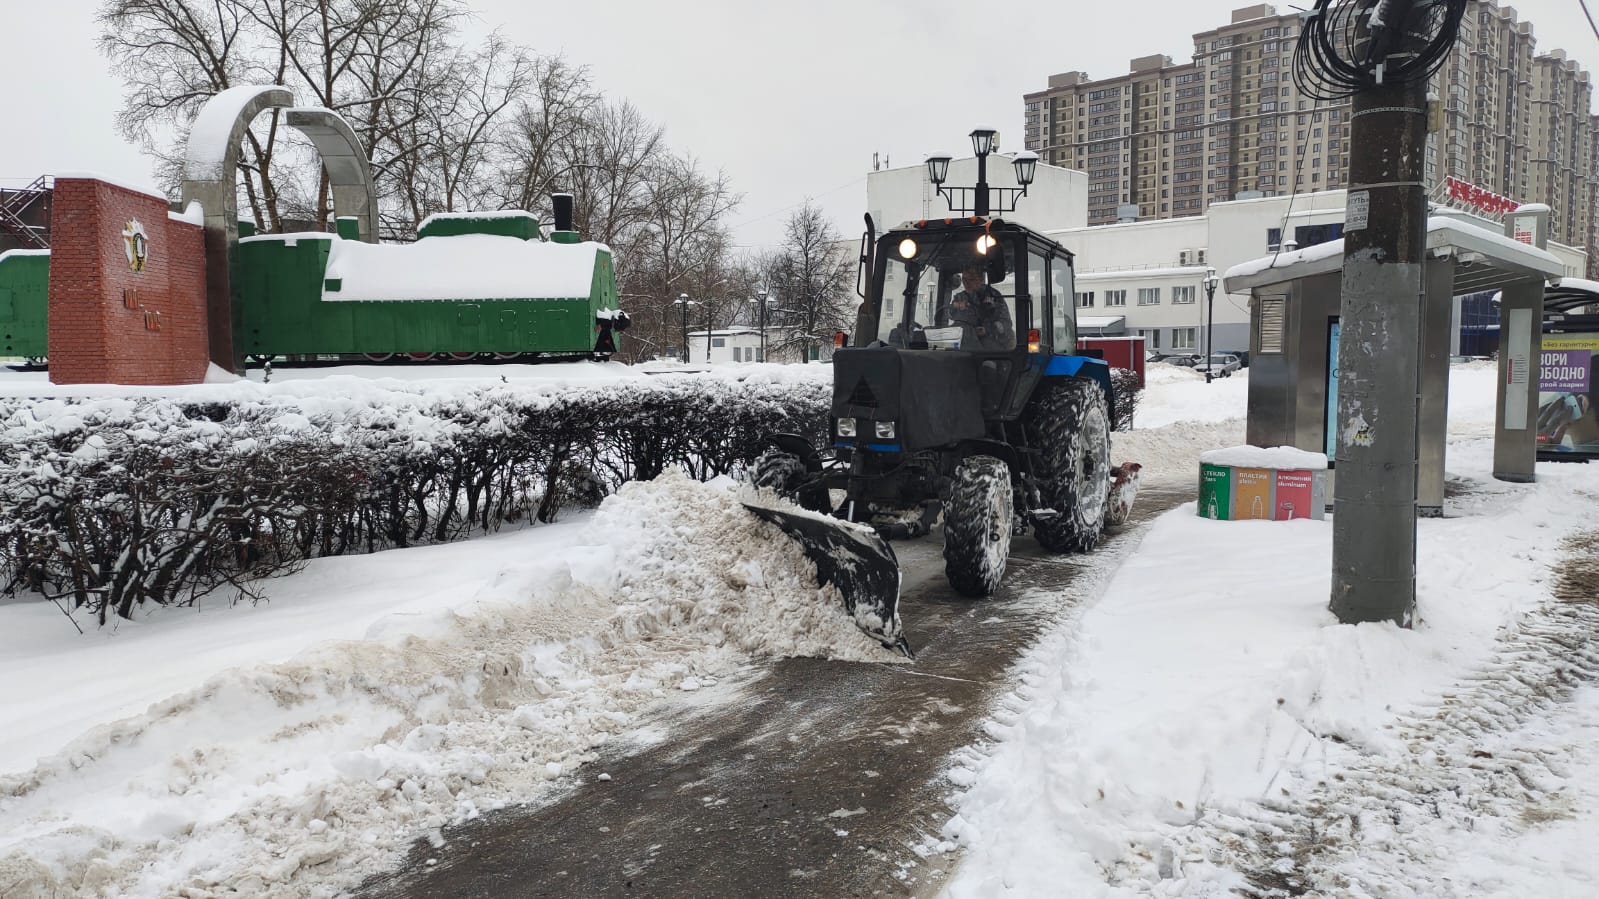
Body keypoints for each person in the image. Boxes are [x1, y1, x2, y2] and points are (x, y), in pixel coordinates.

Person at [938, 266, 1014, 351]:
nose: (966, 283)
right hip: (966, 345)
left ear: (981, 279)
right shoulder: (960, 297)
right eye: (964, 280)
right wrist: (954, 307)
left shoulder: (994, 296)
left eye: (971, 279)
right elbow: (950, 315)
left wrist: (987, 330)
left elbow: (1005, 324)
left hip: (993, 347)